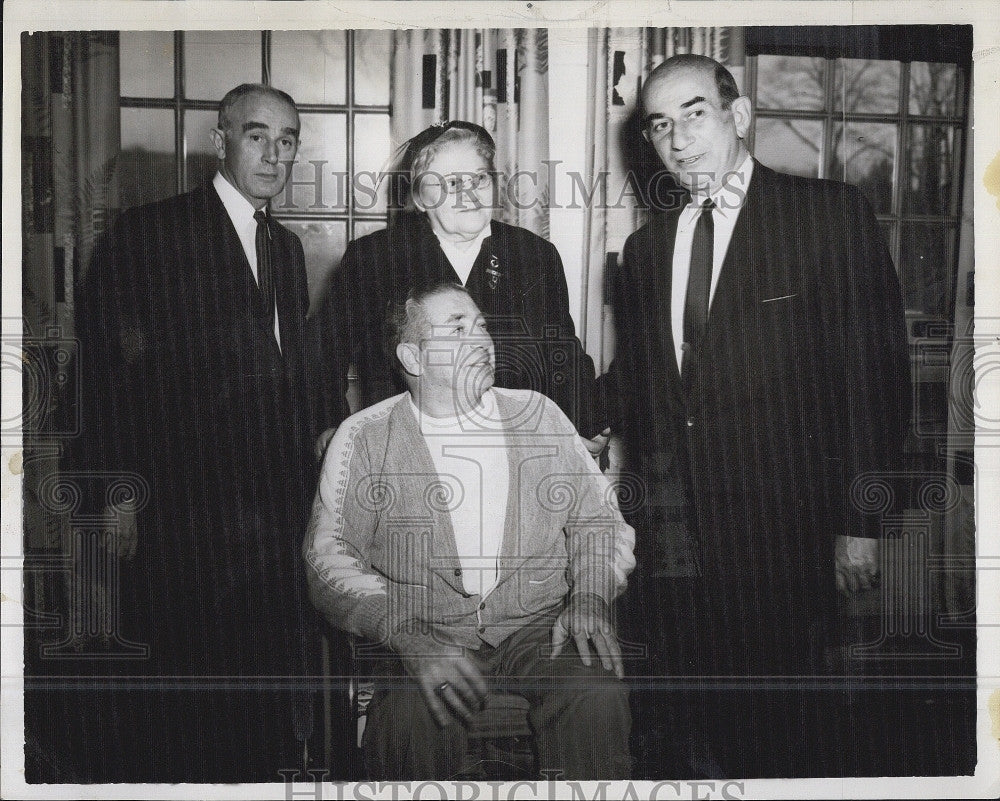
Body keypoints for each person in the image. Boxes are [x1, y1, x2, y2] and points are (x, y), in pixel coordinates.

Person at [601, 54, 911, 777]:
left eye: (694, 113)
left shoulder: (828, 214)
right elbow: (642, 382)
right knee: (685, 722)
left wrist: (859, 521)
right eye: (659, 125)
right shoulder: (647, 250)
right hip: (674, 536)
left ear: (738, 116)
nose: (677, 139)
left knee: (781, 730)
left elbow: (876, 376)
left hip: (787, 535)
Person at [72, 83, 349, 782]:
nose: (274, 153)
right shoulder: (151, 234)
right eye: (257, 135)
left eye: (287, 140)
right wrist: (120, 491)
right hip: (180, 513)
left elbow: (288, 378)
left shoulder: (284, 249)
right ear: (219, 139)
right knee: (181, 697)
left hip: (268, 517)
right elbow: (109, 373)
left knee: (256, 693)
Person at [303, 281, 635, 779]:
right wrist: (408, 635)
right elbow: (328, 556)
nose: (481, 339)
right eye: (457, 329)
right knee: (409, 723)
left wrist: (589, 595)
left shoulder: (538, 415)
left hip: (538, 626)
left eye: (481, 326)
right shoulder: (365, 436)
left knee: (596, 692)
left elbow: (598, 520)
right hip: (425, 628)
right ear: (412, 358)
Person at [326, 121, 605, 446]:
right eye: (453, 182)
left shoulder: (534, 254)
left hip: (515, 444)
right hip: (407, 446)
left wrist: (582, 423)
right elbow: (325, 355)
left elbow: (563, 354)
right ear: (419, 198)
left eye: (479, 178)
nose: (470, 194)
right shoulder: (374, 258)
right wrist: (328, 426)